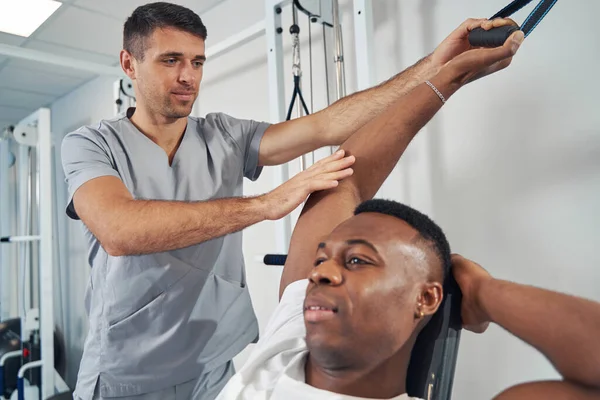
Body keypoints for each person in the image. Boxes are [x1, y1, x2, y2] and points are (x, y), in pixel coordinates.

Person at [60, 1, 524, 399]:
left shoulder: (222, 134)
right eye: (171, 60)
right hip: (128, 373)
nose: (188, 77)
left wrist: (438, 65)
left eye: (198, 62)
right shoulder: (91, 145)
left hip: (215, 365)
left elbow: (328, 126)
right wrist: (268, 203)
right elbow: (119, 231)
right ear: (129, 63)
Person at [214, 17, 600, 400]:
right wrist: (447, 77)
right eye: (321, 260)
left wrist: (483, 293)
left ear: (426, 298)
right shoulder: (287, 344)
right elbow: (346, 179)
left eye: (357, 262)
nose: (321, 274)